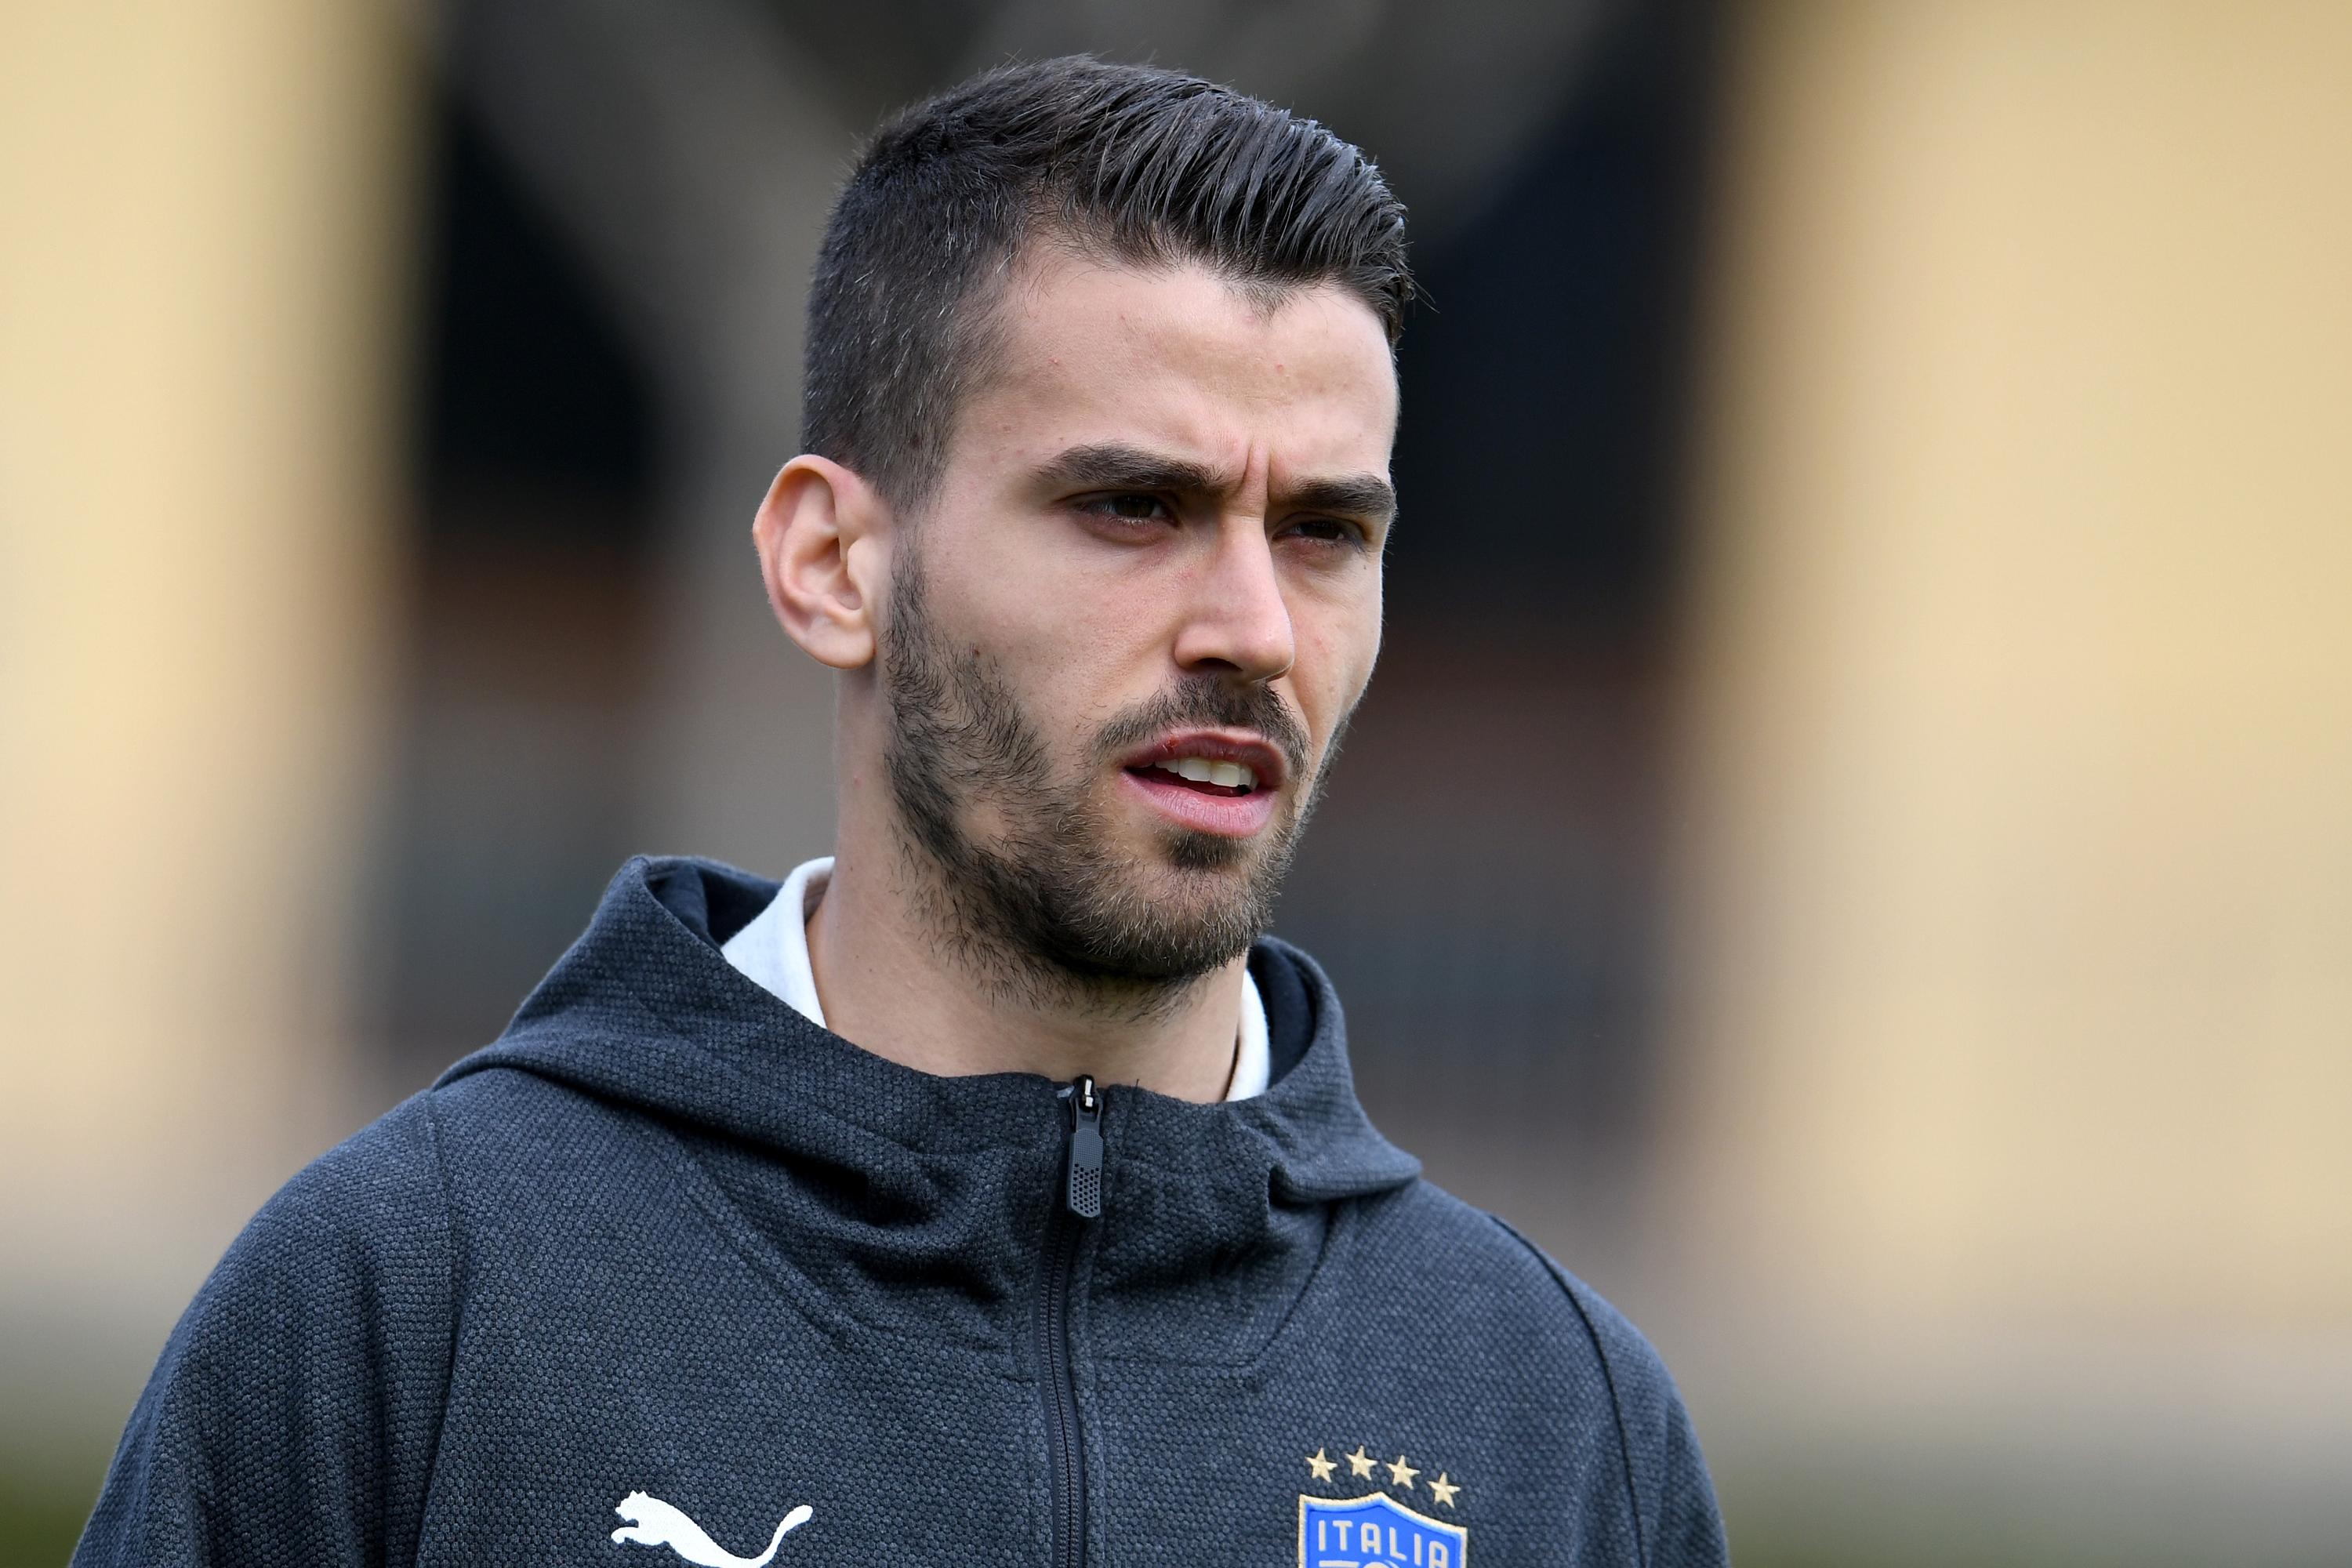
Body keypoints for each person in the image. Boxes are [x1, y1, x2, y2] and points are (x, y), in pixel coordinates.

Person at [75, 56, 1726, 1567]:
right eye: (1132, 506)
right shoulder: (408, 1300)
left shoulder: (1562, 1425)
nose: (1254, 626)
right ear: (831, 564)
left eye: (1321, 533)